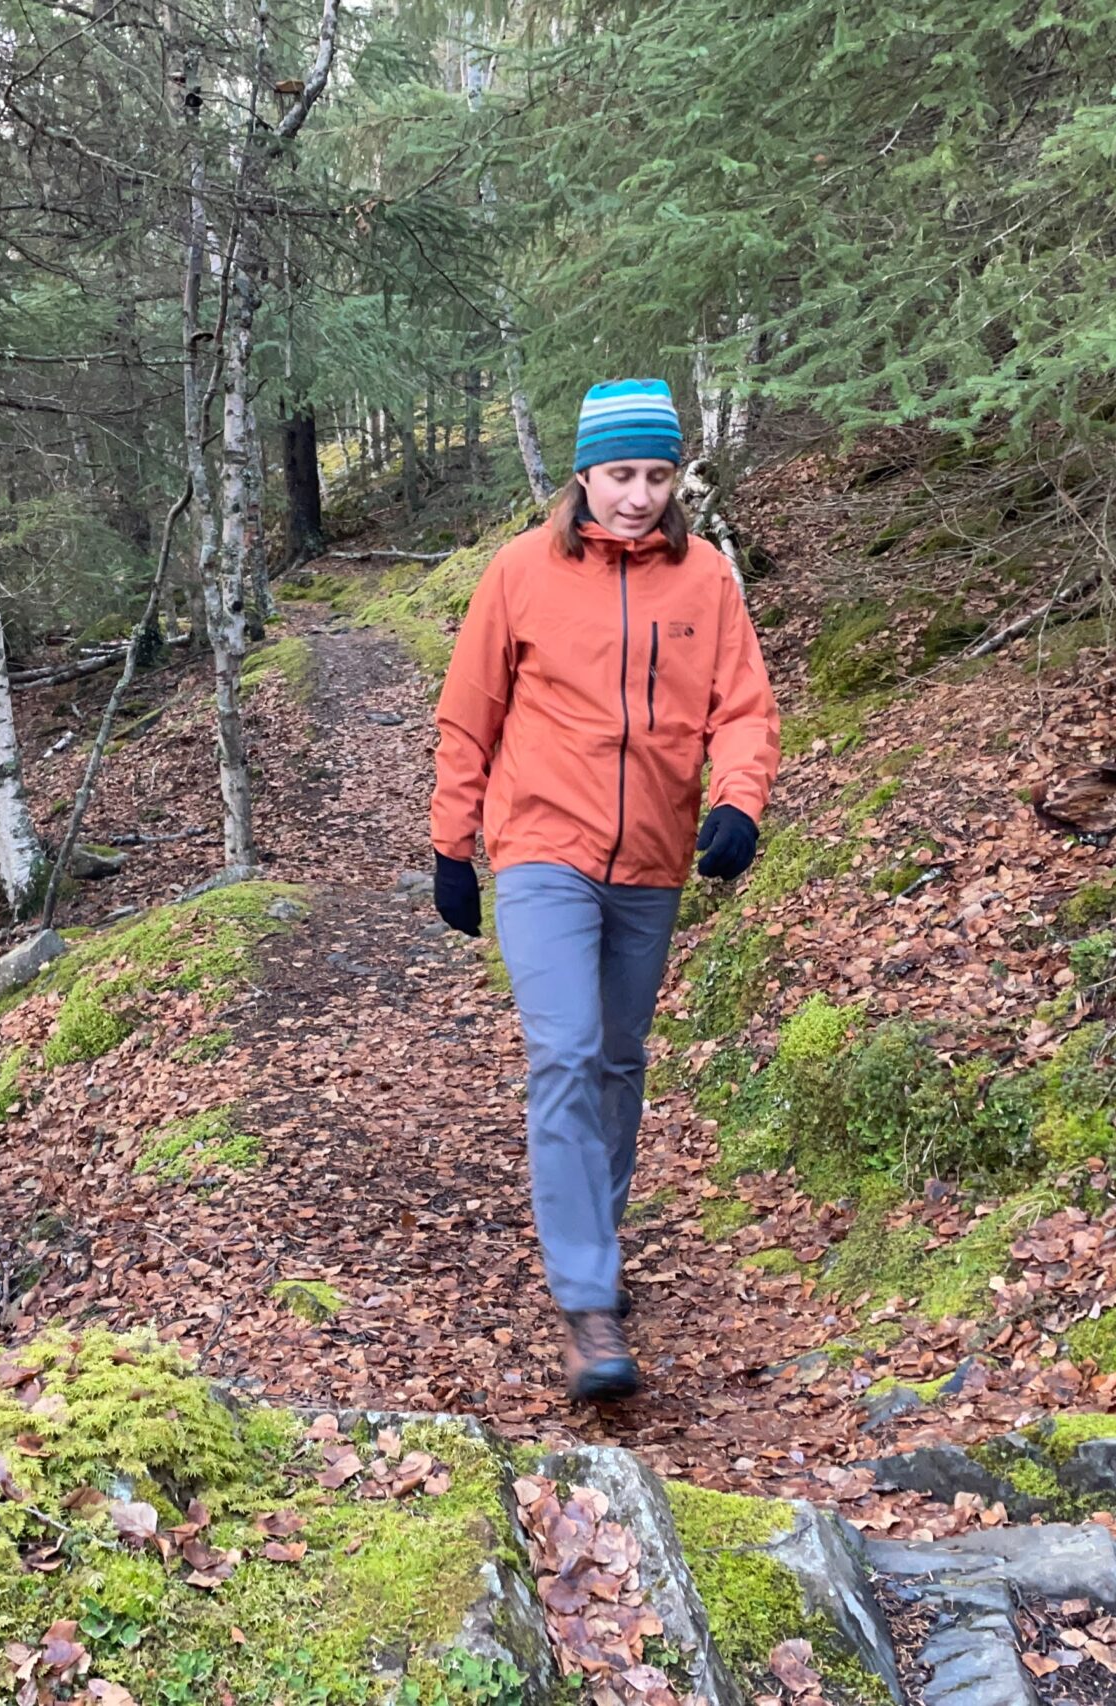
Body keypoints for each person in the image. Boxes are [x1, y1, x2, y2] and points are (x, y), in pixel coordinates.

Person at [428, 378, 780, 1402]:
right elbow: (468, 714)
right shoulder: (520, 573)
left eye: (656, 475)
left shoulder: (705, 577)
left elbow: (744, 708)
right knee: (568, 1051)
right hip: (541, 843)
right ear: (582, 473)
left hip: (654, 856)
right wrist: (454, 846)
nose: (636, 495)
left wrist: (740, 801)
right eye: (620, 474)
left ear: (677, 480)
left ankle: (593, 1233)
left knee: (620, 1059)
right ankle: (588, 1299)